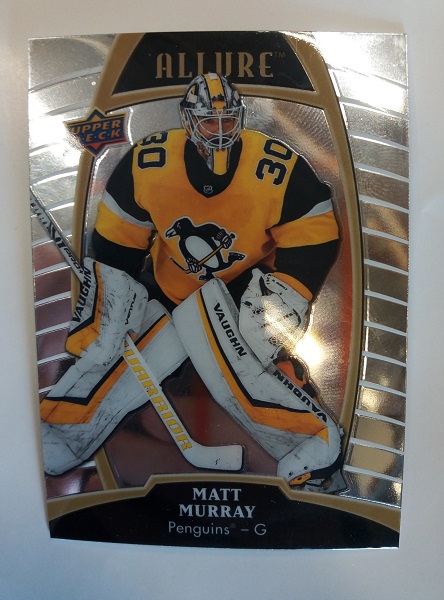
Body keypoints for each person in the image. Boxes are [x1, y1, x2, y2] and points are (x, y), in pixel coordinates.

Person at [41, 73, 344, 491]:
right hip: (167, 287)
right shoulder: (150, 162)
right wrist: (112, 296)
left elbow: (314, 229)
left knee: (245, 363)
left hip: (241, 290)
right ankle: (62, 432)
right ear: (188, 119)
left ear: (240, 117)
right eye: (208, 121)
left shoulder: (274, 164)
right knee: (114, 350)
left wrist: (285, 294)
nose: (219, 131)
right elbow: (117, 237)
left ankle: (314, 444)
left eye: (226, 120)